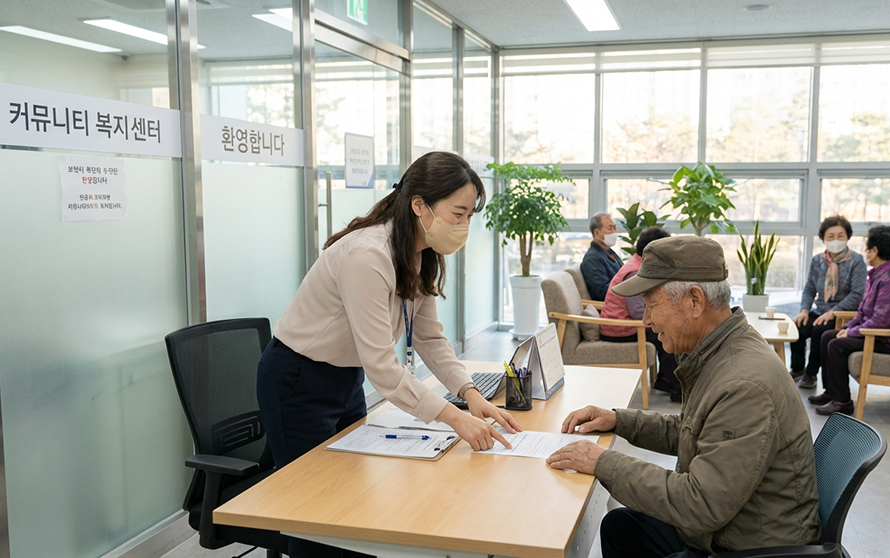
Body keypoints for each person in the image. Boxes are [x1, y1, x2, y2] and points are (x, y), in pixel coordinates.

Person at [257, 152, 522, 558]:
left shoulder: (420, 252)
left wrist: (471, 394)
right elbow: (382, 366)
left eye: (470, 215)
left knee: (352, 499)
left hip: (345, 378)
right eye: (458, 213)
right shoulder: (367, 256)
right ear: (419, 205)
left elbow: (430, 338)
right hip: (297, 380)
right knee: (314, 511)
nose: (463, 226)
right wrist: (455, 419)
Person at [547, 236, 821, 558]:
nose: (646, 320)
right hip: (728, 527)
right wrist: (619, 420)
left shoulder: (744, 385)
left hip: (747, 547)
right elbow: (692, 431)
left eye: (651, 304)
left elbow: (701, 503)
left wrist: (603, 462)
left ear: (694, 301)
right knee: (620, 526)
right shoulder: (719, 351)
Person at [809, 225, 890, 416]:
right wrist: (847, 327)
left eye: (868, 247)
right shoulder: (877, 274)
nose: (865, 251)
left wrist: (851, 333)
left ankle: (842, 402)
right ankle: (832, 392)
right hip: (879, 335)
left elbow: (881, 321)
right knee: (828, 336)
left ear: (875, 251)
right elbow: (862, 312)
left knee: (837, 345)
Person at [599, 226, 681, 401]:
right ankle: (676, 388)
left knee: (668, 328)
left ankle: (666, 380)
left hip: (625, 324)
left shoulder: (638, 265)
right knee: (671, 333)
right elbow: (638, 312)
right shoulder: (635, 273)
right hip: (620, 329)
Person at [789, 215, 867, 389]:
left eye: (840, 236)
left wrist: (833, 312)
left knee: (819, 331)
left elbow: (857, 294)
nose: (835, 240)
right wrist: (804, 311)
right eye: (831, 236)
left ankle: (811, 374)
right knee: (798, 326)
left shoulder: (857, 261)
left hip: (842, 314)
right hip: (820, 310)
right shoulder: (817, 260)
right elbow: (809, 289)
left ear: (848, 237)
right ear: (823, 239)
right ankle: (798, 369)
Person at [580, 211, 624, 301]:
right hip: (613, 305)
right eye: (610, 228)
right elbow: (603, 292)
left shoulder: (609, 252)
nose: (614, 232)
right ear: (596, 232)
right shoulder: (592, 259)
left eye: (615, 228)